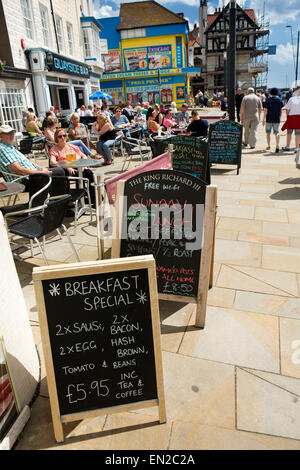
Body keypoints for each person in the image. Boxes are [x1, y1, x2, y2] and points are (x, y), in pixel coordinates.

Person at [0, 124, 67, 197]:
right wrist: (40, 172)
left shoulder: (9, 147)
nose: (12, 135)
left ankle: (58, 200)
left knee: (58, 172)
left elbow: (28, 161)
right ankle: (60, 202)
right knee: (59, 172)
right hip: (25, 180)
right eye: (8, 133)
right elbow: (19, 170)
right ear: (1, 136)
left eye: (12, 132)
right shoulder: (2, 149)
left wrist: (41, 169)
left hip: (32, 175)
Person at [49, 128, 95, 205]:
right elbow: (52, 162)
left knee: (90, 174)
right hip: (65, 169)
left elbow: (83, 155)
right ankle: (82, 197)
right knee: (81, 176)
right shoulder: (54, 149)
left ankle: (92, 198)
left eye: (64, 135)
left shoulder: (72, 146)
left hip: (79, 166)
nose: (62, 138)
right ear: (56, 138)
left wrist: (83, 164)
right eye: (60, 136)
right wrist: (66, 166)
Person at [262, 87, 284, 153]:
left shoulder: (268, 100)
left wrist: (263, 119)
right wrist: (279, 117)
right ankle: (277, 146)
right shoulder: (279, 100)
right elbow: (281, 111)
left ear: (270, 93)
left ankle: (268, 145)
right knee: (276, 133)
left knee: (268, 133)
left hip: (269, 119)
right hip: (276, 118)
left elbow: (265, 110)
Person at [282, 87, 300, 152]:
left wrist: (287, 118)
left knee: (289, 132)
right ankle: (297, 148)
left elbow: (287, 109)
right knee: (298, 133)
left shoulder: (291, 99)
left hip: (291, 117)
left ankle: (288, 146)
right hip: (299, 117)